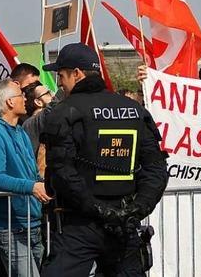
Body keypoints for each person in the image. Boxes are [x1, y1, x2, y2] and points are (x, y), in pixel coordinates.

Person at [40, 43, 169, 276]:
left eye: (61, 75)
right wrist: (137, 210)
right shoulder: (134, 110)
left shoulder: (64, 112)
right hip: (124, 224)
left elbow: (62, 174)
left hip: (79, 226)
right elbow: (157, 170)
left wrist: (100, 210)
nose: (59, 83)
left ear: (77, 74)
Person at [0, 79, 50, 276]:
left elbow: (32, 173)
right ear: (9, 102)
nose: (25, 98)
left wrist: (43, 185)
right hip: (9, 226)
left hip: (31, 222)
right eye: (21, 95)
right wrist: (32, 187)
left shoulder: (20, 131)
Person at [22, 82, 54, 177]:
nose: (52, 95)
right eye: (48, 93)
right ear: (38, 102)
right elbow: (53, 106)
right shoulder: (34, 122)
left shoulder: (29, 123)